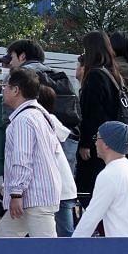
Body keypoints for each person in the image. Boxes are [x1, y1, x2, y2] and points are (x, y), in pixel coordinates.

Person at [0, 66, 66, 238]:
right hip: (37, 195)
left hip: (32, 197)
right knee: (4, 238)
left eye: (6, 87)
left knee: (46, 251)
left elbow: (22, 158)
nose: (4, 91)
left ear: (16, 90)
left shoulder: (23, 120)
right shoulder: (42, 115)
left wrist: (16, 193)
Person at [72, 121, 128, 238]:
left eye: (97, 137)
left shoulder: (109, 174)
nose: (95, 143)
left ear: (106, 143)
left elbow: (91, 216)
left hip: (125, 248)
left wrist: (72, 246)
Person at [74, 32, 126, 201]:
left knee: (89, 191)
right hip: (112, 141)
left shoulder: (95, 76)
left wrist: (85, 144)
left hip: (97, 143)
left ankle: (95, 227)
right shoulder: (113, 73)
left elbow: (91, 114)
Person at [38, 83, 80, 237]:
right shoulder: (54, 121)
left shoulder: (44, 121)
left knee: (64, 234)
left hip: (56, 189)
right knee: (65, 233)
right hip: (65, 187)